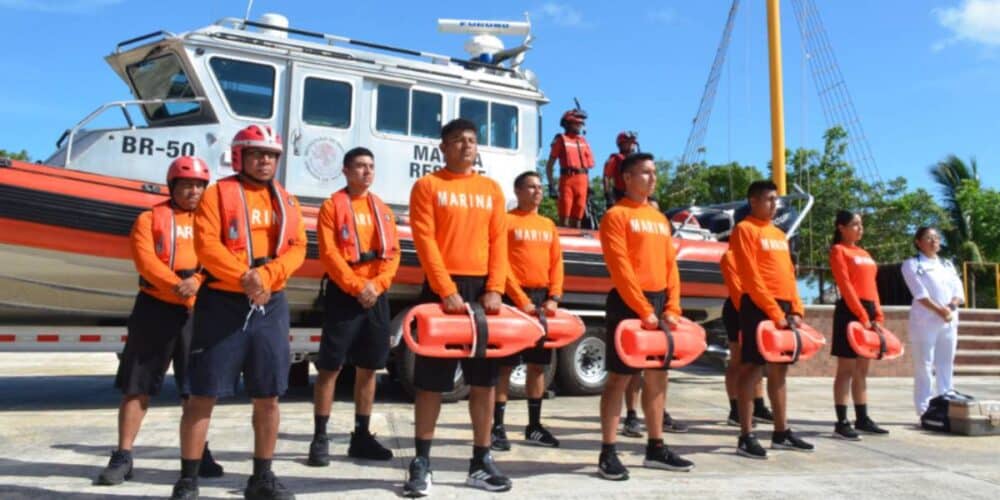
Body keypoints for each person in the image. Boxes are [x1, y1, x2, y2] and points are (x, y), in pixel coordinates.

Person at [170, 125, 306, 500]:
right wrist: (244, 277)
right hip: (224, 303)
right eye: (257, 154)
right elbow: (206, 243)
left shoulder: (287, 200)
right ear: (239, 156)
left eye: (271, 155)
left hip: (270, 305)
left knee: (269, 395)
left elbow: (297, 247)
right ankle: (188, 479)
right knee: (203, 395)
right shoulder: (218, 194)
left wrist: (265, 277)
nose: (265, 161)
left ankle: (261, 477)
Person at [97, 156, 222, 486]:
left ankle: (199, 450)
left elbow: (223, 258)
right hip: (155, 307)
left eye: (198, 185)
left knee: (195, 390)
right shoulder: (148, 219)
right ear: (173, 186)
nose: (193, 190)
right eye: (186, 184)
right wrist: (175, 285)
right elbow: (145, 260)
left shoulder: (212, 223)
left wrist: (196, 281)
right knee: (137, 386)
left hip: (198, 311)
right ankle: (123, 454)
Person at [403, 118, 511, 496]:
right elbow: (425, 240)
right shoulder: (428, 186)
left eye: (471, 140)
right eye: (457, 141)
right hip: (441, 293)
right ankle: (421, 463)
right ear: (443, 148)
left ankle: (480, 461)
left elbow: (499, 242)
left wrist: (496, 288)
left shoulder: (491, 190)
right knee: (430, 383)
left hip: (484, 292)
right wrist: (445, 288)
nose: (466, 146)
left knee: (483, 383)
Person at [597, 153, 695, 481]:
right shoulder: (616, 215)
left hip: (659, 303)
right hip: (628, 303)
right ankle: (608, 452)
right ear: (626, 178)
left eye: (654, 172)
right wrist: (642, 310)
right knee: (619, 379)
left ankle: (656, 448)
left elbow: (671, 266)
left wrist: (672, 307)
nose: (652, 179)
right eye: (645, 173)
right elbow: (620, 268)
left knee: (657, 379)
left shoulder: (659, 219)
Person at [309, 147, 400, 466]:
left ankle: (361, 436)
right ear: (346, 171)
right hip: (344, 295)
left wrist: (376, 286)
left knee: (369, 368)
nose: (366, 171)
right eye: (360, 166)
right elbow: (330, 254)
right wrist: (357, 286)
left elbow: (393, 255)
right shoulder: (332, 206)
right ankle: (320, 437)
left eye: (371, 166)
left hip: (375, 295)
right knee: (330, 367)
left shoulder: (383, 209)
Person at [730, 180, 814, 460]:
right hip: (757, 306)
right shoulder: (744, 230)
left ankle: (781, 432)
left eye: (775, 199)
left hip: (785, 306)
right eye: (768, 199)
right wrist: (774, 312)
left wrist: (797, 309)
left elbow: (789, 275)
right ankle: (745, 435)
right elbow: (751, 277)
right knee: (751, 369)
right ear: (753, 201)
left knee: (780, 372)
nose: (774, 204)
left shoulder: (779, 235)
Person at [491, 171, 564, 451]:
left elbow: (557, 263)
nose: (537, 192)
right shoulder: (506, 221)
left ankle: (534, 426)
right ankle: (497, 427)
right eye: (531, 187)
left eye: (540, 187)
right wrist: (520, 300)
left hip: (543, 299)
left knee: (538, 366)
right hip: (514, 299)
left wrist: (554, 297)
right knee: (505, 366)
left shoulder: (548, 224)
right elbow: (501, 264)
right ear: (518, 191)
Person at [829, 210, 889, 439]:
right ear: (841, 228)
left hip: (869, 310)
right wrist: (861, 316)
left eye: (861, 224)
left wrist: (877, 315)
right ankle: (842, 421)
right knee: (846, 369)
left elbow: (872, 287)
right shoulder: (838, 250)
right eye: (854, 224)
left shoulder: (865, 253)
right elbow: (846, 286)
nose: (859, 228)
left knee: (863, 369)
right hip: (850, 311)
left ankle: (862, 418)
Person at [901, 227, 964, 416]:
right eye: (928, 238)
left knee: (946, 363)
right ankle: (924, 408)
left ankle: (946, 398)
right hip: (925, 321)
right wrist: (939, 310)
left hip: (948, 320)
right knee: (924, 365)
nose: (934, 241)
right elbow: (920, 294)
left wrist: (950, 308)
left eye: (936, 238)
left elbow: (958, 291)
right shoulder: (912, 264)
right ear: (918, 242)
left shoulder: (947, 264)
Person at [720, 249, 774, 427]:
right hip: (738, 309)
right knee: (738, 359)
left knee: (756, 360)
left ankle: (758, 406)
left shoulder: (757, 254)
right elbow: (736, 288)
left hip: (757, 308)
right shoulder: (730, 256)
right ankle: (735, 409)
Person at [545, 109, 595, 228]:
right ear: (568, 124)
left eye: (580, 124)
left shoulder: (583, 141)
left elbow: (587, 166)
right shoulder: (561, 140)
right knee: (565, 216)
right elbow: (549, 165)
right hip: (567, 180)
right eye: (576, 124)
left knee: (578, 217)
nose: (579, 127)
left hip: (582, 181)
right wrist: (552, 185)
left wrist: (589, 185)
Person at [602, 131, 638, 209]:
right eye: (629, 142)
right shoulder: (614, 159)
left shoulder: (638, 160)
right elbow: (606, 178)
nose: (632, 145)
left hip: (637, 194)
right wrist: (609, 197)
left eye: (633, 143)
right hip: (621, 195)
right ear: (621, 144)